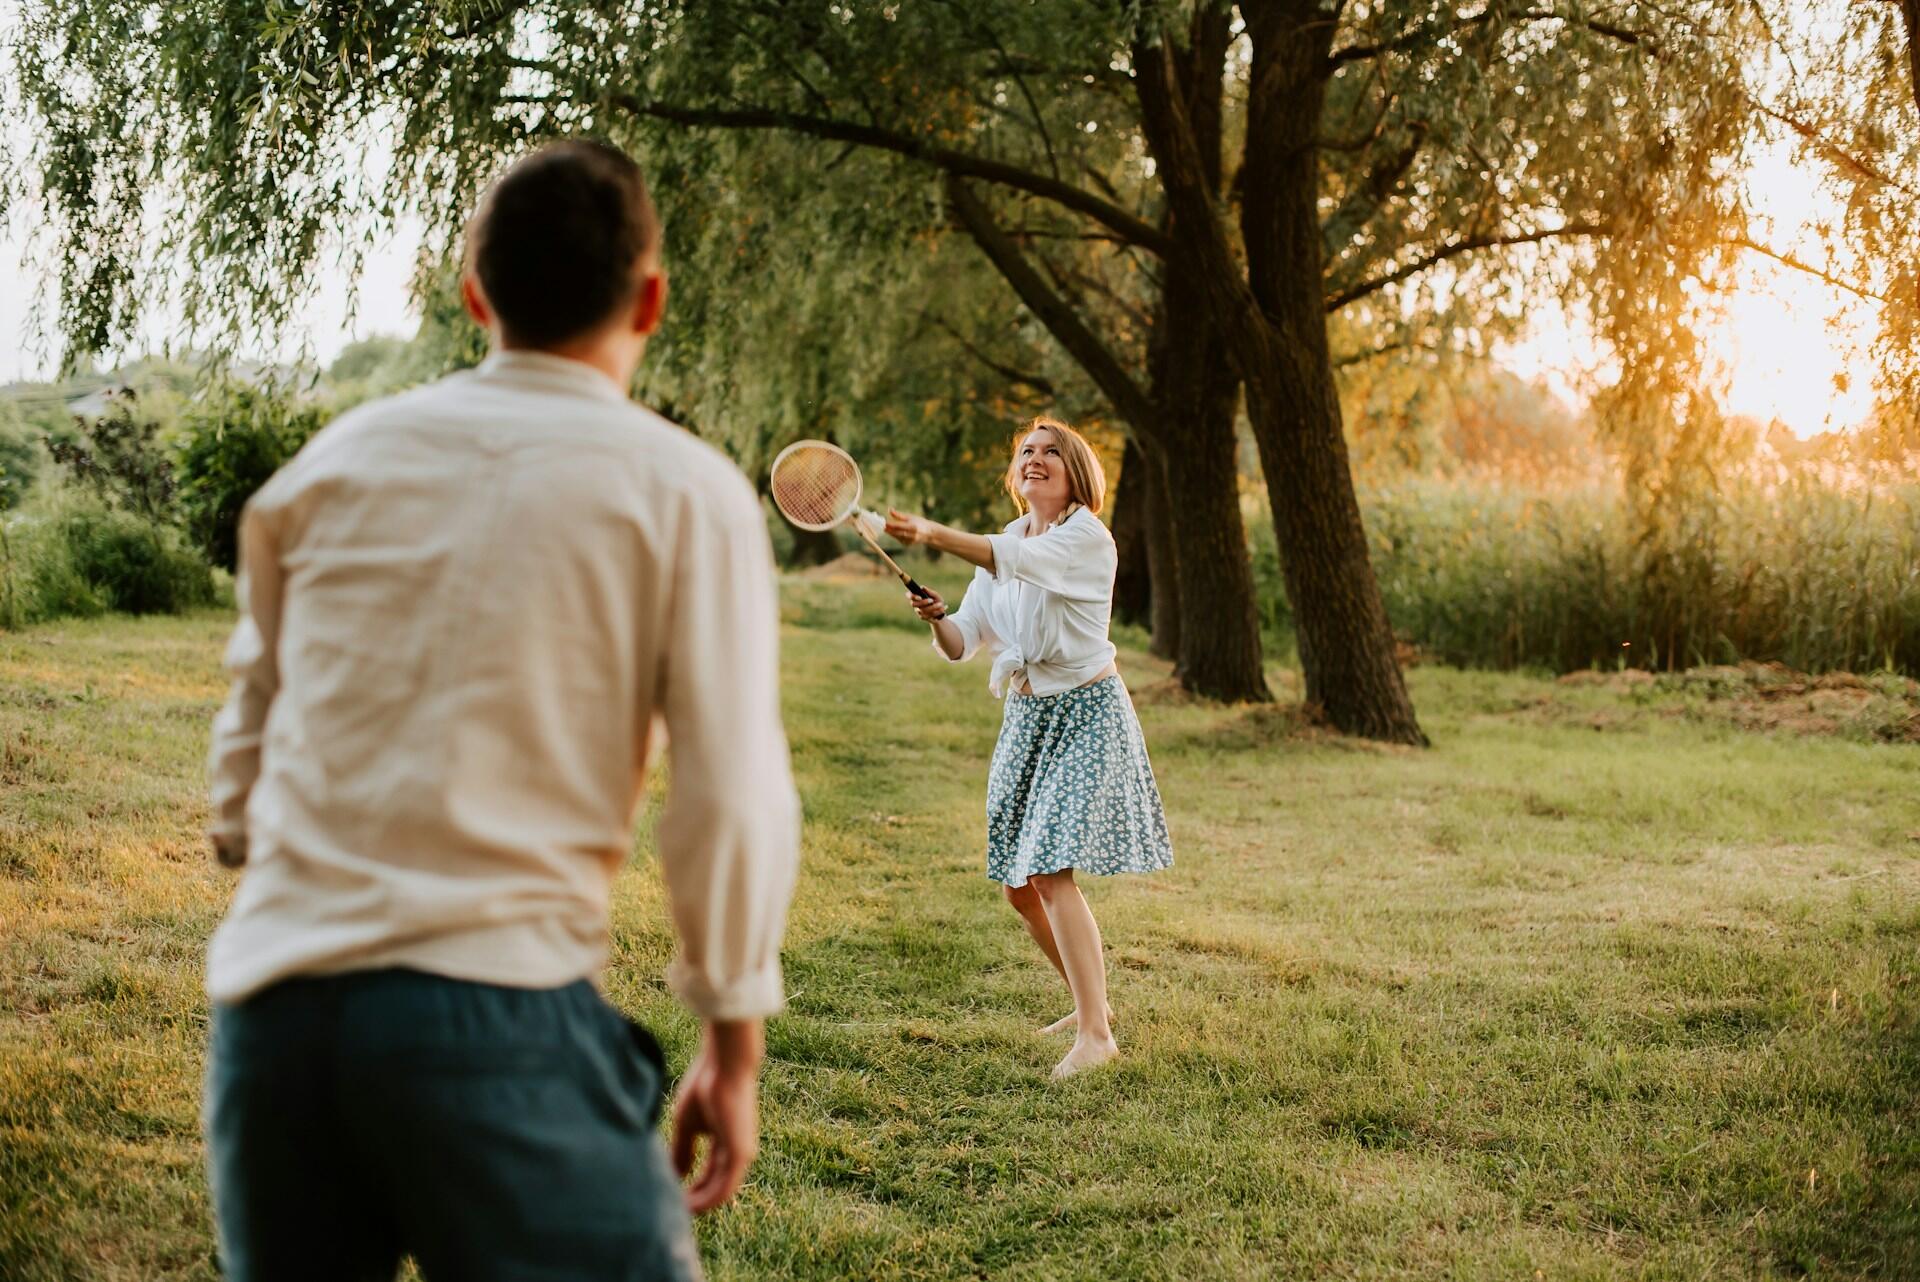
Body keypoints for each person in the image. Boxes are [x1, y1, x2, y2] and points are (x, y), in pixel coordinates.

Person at [201, 139, 800, 1281]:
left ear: (475, 293)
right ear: (653, 297)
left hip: (274, 1026)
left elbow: (252, 728)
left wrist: (259, 849)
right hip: (498, 1016)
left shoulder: (329, 466)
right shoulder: (685, 492)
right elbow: (731, 793)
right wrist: (732, 1039)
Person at [883, 418, 1172, 1080]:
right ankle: (1085, 1002)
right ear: (1015, 473)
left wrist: (930, 533)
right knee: (1019, 886)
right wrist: (938, 620)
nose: (1035, 459)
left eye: (1050, 452)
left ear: (1075, 470)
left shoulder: (1084, 540)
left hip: (1087, 711)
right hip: (1026, 716)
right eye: (1026, 452)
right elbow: (966, 640)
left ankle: (1097, 1036)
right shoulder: (1013, 537)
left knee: (1047, 869)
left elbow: (1006, 562)